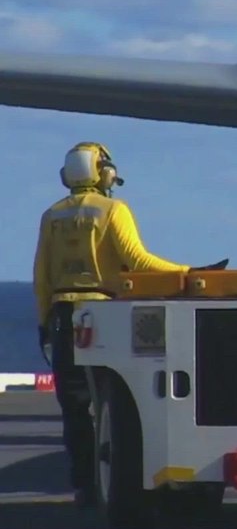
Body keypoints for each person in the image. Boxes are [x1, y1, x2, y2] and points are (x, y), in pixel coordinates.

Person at [32, 142, 227, 507]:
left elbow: (41, 277)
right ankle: (117, 479)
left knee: (74, 409)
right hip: (103, 315)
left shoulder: (51, 216)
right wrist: (189, 273)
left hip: (62, 316)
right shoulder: (112, 210)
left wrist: (45, 321)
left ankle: (85, 487)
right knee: (114, 401)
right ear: (101, 171)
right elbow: (137, 260)